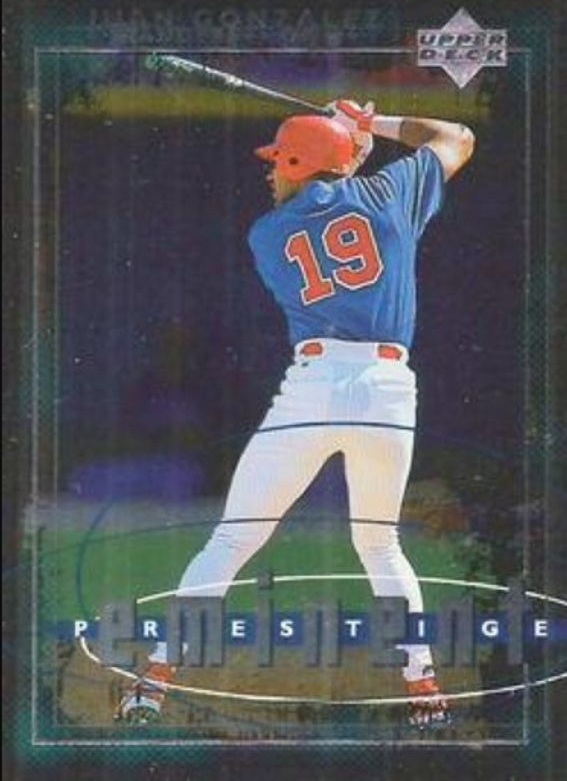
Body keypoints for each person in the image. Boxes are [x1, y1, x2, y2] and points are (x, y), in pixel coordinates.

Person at [114, 100, 474, 729]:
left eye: (280, 161)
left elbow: (327, 207)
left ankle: (155, 682)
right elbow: (457, 136)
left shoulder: (268, 233)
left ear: (300, 165)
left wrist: (351, 148)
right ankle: (424, 688)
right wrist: (373, 126)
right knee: (380, 543)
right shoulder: (388, 193)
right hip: (388, 388)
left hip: (315, 384)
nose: (271, 172)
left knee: (233, 539)